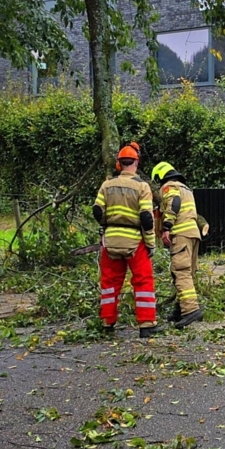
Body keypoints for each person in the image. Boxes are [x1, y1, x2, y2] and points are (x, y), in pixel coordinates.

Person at [92, 145, 159, 338]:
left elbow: (97, 211)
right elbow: (146, 218)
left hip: (111, 240)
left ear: (118, 163)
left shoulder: (107, 185)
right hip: (134, 240)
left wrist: (106, 227)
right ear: (136, 162)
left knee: (109, 282)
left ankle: (107, 322)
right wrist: (150, 244)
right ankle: (146, 324)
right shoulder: (142, 186)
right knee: (143, 281)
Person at [151, 162, 204, 329]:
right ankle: (180, 309)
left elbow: (174, 203)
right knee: (188, 272)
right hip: (193, 234)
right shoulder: (185, 188)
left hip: (180, 234)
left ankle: (191, 310)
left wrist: (166, 227)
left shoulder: (169, 186)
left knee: (180, 272)